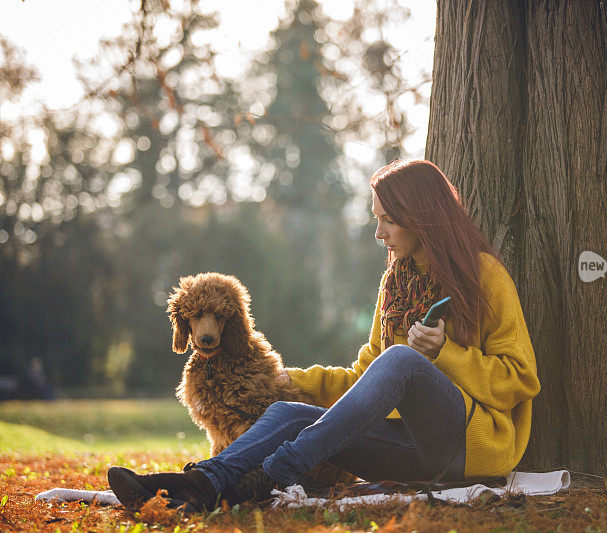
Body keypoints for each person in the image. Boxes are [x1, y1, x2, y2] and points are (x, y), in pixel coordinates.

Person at [107, 159, 541, 512]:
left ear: (421, 218)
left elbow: (521, 380)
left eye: (389, 221)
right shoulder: (394, 285)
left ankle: (281, 468)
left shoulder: (484, 277)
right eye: (377, 219)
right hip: (404, 452)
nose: (379, 233)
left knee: (402, 360)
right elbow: (366, 380)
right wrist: (288, 380)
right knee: (289, 413)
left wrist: (445, 352)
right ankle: (203, 482)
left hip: (466, 447)